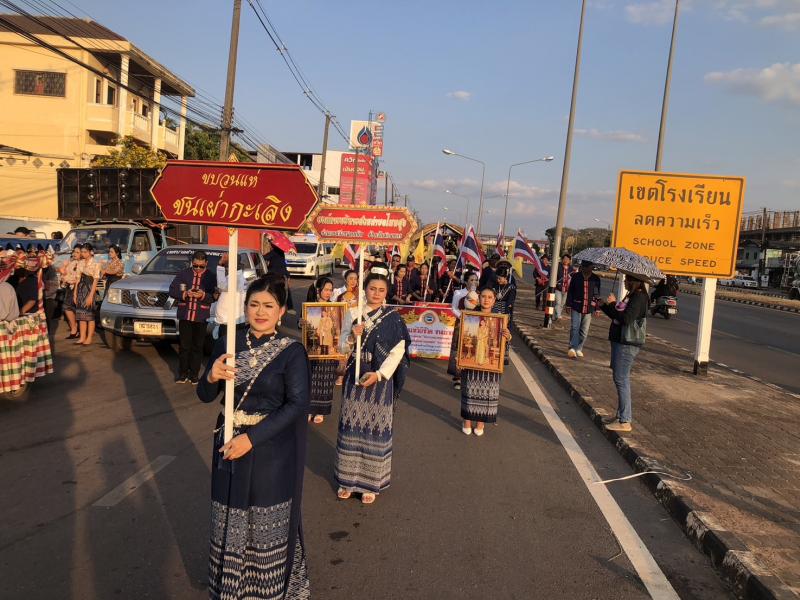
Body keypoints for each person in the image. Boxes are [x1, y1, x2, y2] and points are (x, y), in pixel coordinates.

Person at [197, 274, 311, 599]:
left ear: (282, 311)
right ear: (245, 307)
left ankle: (266, 590)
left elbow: (297, 404)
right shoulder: (228, 342)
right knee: (229, 513)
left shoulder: (291, 352)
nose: (260, 312)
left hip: (270, 450)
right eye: (254, 304)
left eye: (269, 306)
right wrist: (211, 376)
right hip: (227, 444)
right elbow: (205, 395)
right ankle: (231, 587)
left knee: (263, 517)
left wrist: (251, 439)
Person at [335, 263, 411, 505]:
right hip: (355, 375)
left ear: (386, 292)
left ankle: (370, 483)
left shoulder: (393, 319)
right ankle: (347, 480)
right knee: (351, 426)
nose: (376, 293)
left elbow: (398, 352)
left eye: (381, 290)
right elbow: (341, 347)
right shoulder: (352, 313)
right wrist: (351, 336)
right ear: (365, 289)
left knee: (374, 430)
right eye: (372, 288)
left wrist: (378, 375)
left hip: (379, 380)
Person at [599, 276, 649, 433]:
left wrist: (613, 303)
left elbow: (626, 319)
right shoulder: (630, 296)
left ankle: (625, 420)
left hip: (627, 344)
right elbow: (617, 316)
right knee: (619, 377)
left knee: (621, 379)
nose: (625, 282)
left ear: (635, 282)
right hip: (619, 341)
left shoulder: (639, 297)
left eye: (627, 279)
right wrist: (604, 306)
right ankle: (620, 416)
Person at [459, 287, 512, 436]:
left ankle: (480, 422)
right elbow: (462, 336)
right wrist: (459, 357)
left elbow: (505, 340)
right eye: (483, 296)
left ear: (494, 300)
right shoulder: (469, 316)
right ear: (479, 299)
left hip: (489, 362)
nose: (486, 300)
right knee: (469, 389)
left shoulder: (499, 318)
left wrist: (508, 335)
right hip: (473, 357)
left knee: (487, 391)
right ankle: (467, 421)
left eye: (490, 297)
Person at [169, 250, 217, 384]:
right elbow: (172, 290)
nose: (198, 268)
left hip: (201, 317)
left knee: (197, 347)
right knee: (184, 346)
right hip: (185, 315)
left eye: (201, 266)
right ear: (192, 263)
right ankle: (182, 374)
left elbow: (215, 296)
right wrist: (185, 294)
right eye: (195, 265)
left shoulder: (211, 276)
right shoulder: (183, 274)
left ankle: (194, 375)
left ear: (206, 263)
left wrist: (203, 295)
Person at [303, 276, 338, 424]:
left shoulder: (335, 308)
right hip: (313, 348)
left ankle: (320, 411)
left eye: (330, 290)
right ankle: (309, 409)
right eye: (326, 290)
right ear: (319, 290)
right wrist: (302, 323)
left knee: (326, 379)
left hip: (329, 348)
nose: (328, 293)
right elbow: (306, 327)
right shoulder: (311, 307)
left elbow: (338, 328)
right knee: (311, 379)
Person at [448, 269, 479, 390]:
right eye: (471, 280)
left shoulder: (479, 295)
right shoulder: (459, 293)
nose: (474, 282)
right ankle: (457, 377)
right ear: (466, 281)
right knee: (458, 349)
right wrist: (463, 317)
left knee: (471, 349)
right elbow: (454, 308)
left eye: (476, 280)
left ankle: (469, 376)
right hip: (461, 324)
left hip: (474, 325)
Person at [565, 261, 601, 358]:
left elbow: (597, 294)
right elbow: (570, 291)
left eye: (589, 267)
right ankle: (572, 348)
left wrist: (597, 308)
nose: (586, 268)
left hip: (589, 308)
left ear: (591, 267)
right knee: (575, 327)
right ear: (582, 267)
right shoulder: (576, 277)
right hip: (576, 306)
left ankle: (579, 348)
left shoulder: (596, 279)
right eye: (584, 266)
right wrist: (568, 305)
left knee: (584, 331)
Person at [213, 252, 246, 341]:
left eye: (227, 261)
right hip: (228, 322)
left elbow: (222, 285)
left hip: (231, 323)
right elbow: (222, 286)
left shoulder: (237, 278)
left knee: (228, 347)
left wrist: (220, 265)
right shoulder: (233, 276)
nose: (226, 264)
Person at [73, 243, 101, 346]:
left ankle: (89, 337)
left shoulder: (96, 263)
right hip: (81, 288)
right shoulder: (80, 263)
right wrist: (75, 293)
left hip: (90, 288)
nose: (83, 254)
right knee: (81, 314)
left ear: (90, 252)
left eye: (85, 252)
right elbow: (78, 279)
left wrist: (91, 296)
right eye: (82, 252)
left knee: (89, 314)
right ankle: (82, 337)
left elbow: (95, 281)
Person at [494, 266, 516, 365]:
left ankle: (504, 354)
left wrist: (505, 314)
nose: (498, 280)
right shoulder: (496, 286)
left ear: (505, 277)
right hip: (495, 311)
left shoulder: (511, 287)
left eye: (500, 278)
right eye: (497, 278)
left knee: (504, 333)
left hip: (505, 312)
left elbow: (510, 302)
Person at [59, 246, 82, 339]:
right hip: (69, 287)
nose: (74, 254)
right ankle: (74, 328)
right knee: (67, 307)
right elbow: (63, 273)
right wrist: (64, 269)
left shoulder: (83, 263)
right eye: (74, 252)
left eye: (77, 252)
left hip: (79, 287)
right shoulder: (71, 262)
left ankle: (79, 330)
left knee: (77, 308)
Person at [553, 253, 573, 322]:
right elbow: (554, 275)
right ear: (562, 260)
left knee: (562, 304)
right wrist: (555, 282)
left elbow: (573, 278)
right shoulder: (558, 266)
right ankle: (558, 315)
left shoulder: (571, 269)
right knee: (558, 302)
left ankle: (556, 315)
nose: (566, 260)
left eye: (567, 259)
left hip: (567, 289)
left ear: (569, 261)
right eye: (564, 259)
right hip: (558, 288)